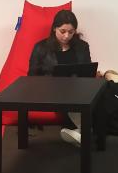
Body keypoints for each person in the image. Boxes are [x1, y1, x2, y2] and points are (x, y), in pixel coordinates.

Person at [28, 9, 92, 145]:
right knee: (68, 98)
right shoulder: (41, 48)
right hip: (53, 92)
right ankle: (85, 133)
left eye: (71, 32)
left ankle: (79, 134)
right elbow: (31, 77)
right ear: (54, 28)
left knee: (99, 94)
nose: (67, 36)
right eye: (62, 31)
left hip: (79, 89)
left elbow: (88, 71)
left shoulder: (82, 46)